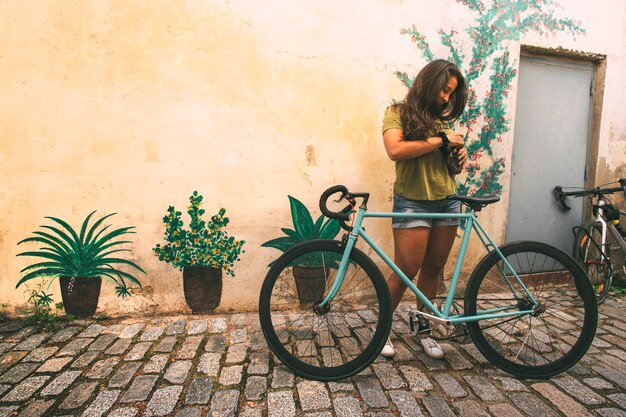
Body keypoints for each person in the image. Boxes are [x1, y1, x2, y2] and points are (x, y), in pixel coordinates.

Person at [380, 59, 468, 359]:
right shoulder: (397, 113)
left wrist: (458, 158)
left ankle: (423, 329)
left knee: (433, 269)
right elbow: (396, 150)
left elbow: (447, 167)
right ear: (430, 81)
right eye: (444, 89)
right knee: (406, 269)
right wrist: (440, 140)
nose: (446, 97)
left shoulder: (442, 122)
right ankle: (381, 329)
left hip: (447, 201)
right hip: (412, 202)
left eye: (451, 93)